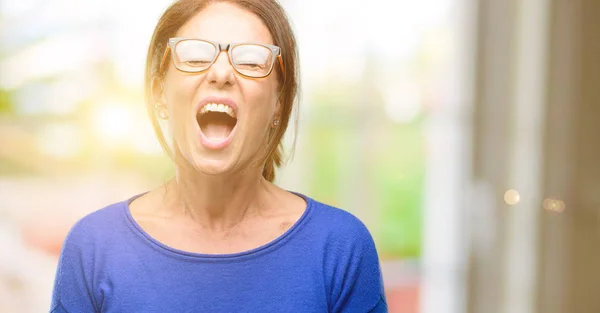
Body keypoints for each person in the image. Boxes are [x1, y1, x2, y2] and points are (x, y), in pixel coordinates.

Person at [50, 0, 387, 312]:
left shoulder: (340, 248)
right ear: (159, 93)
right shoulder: (93, 247)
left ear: (279, 103)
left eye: (251, 60)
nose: (221, 73)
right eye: (195, 56)